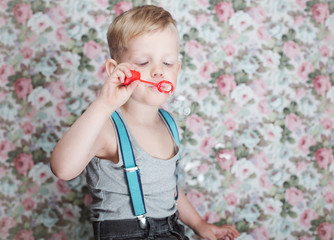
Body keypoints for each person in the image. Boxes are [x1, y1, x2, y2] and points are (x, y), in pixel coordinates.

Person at [50, 5, 240, 240]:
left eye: (168, 63)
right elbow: (62, 168)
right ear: (115, 70)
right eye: (143, 62)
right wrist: (103, 104)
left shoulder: (168, 123)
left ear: (177, 71)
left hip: (171, 230)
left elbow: (167, 190)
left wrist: (199, 225)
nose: (159, 71)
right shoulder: (107, 127)